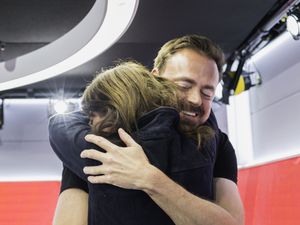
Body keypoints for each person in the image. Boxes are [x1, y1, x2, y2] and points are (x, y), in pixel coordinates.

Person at [49, 34, 244, 225]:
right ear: (155, 79)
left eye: (207, 93)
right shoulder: (98, 139)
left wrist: (149, 178)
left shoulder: (218, 144)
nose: (196, 99)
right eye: (184, 85)